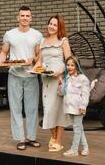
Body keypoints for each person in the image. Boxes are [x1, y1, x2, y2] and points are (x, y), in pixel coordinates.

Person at [0, 6, 43, 150]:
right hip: (14, 76)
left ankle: (31, 137)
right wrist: (1, 60)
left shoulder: (37, 35)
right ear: (18, 18)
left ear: (31, 18)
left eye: (27, 15)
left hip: (31, 76)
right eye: (22, 15)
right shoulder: (10, 34)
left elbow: (39, 55)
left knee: (32, 108)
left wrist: (34, 60)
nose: (24, 18)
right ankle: (20, 138)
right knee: (16, 108)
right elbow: (4, 52)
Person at [34, 14, 71, 152]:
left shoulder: (63, 41)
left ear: (59, 27)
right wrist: (35, 69)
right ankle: (54, 136)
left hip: (59, 80)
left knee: (59, 110)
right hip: (46, 79)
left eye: (55, 25)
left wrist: (60, 71)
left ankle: (59, 141)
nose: (51, 26)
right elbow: (39, 61)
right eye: (50, 23)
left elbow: (69, 61)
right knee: (48, 109)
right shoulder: (43, 41)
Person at [58, 56, 90, 156]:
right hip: (69, 107)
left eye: (72, 65)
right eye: (68, 65)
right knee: (78, 128)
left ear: (77, 66)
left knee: (76, 129)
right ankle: (86, 147)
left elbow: (85, 94)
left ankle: (74, 150)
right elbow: (62, 93)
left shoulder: (83, 79)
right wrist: (61, 84)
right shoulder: (67, 78)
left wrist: (83, 107)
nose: (69, 67)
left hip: (78, 107)